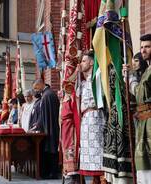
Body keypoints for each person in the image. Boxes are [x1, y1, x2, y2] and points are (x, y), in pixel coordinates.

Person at [123, 34, 151, 184]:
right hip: (144, 121)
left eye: (147, 47)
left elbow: (141, 94)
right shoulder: (148, 70)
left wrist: (131, 79)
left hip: (149, 122)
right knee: (143, 160)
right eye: (142, 47)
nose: (143, 50)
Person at [78, 51, 106, 183]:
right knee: (88, 152)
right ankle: (95, 179)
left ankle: (102, 178)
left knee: (97, 150)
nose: (81, 64)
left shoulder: (97, 77)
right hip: (86, 119)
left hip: (95, 117)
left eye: (84, 61)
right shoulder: (84, 81)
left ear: (91, 62)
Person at [32, 79, 60, 179]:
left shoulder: (48, 95)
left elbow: (46, 115)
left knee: (51, 150)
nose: (35, 90)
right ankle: (50, 172)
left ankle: (53, 173)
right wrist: (38, 124)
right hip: (48, 127)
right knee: (49, 150)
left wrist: (38, 125)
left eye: (36, 88)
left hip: (50, 128)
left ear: (40, 84)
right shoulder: (46, 94)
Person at [60, 81, 80, 183]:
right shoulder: (64, 99)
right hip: (64, 127)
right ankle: (68, 172)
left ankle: (73, 174)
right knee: (66, 149)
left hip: (70, 126)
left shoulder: (72, 97)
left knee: (71, 149)